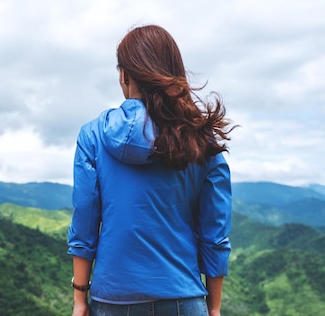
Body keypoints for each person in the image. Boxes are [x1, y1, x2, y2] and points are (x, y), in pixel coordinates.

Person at [67, 25, 235, 316]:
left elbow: (84, 222)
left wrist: (80, 298)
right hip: (184, 298)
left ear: (125, 75)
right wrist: (215, 308)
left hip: (112, 300)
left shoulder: (92, 136)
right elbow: (215, 233)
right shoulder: (202, 142)